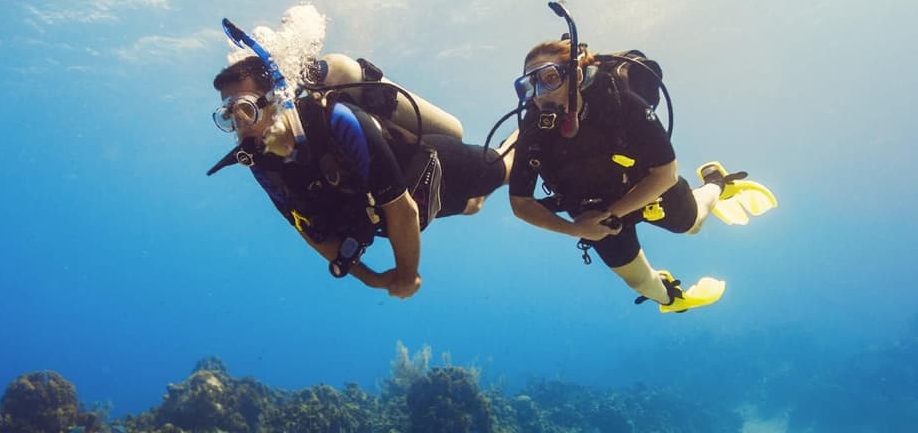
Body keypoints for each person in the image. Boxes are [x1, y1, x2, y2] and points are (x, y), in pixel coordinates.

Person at [507, 36, 776, 313]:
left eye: (549, 78)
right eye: (529, 85)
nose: (540, 93)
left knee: (692, 224)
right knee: (638, 281)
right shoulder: (534, 130)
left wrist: (613, 213)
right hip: (589, 212)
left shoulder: (618, 101)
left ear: (575, 75)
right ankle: (672, 299)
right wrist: (576, 229)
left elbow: (666, 173)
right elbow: (520, 203)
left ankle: (717, 183)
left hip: (645, 188)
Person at [211, 53, 513, 299]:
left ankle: (528, 133)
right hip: (392, 212)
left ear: (276, 99)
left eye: (246, 111)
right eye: (230, 117)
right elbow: (306, 228)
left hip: (430, 168)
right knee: (473, 206)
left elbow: (402, 209)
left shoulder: (337, 121)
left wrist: (406, 276)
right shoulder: (261, 164)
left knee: (503, 168)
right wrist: (370, 278)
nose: (240, 128)